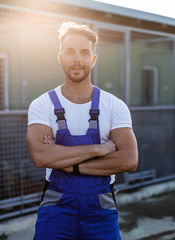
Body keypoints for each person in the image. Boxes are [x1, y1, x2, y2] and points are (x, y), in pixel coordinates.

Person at [26, 20, 138, 240]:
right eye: (70, 52)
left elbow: (128, 160)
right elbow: (40, 155)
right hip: (57, 206)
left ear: (93, 59)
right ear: (60, 58)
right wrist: (99, 148)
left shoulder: (114, 106)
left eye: (84, 53)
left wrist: (69, 165)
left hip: (101, 207)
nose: (77, 59)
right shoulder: (42, 105)